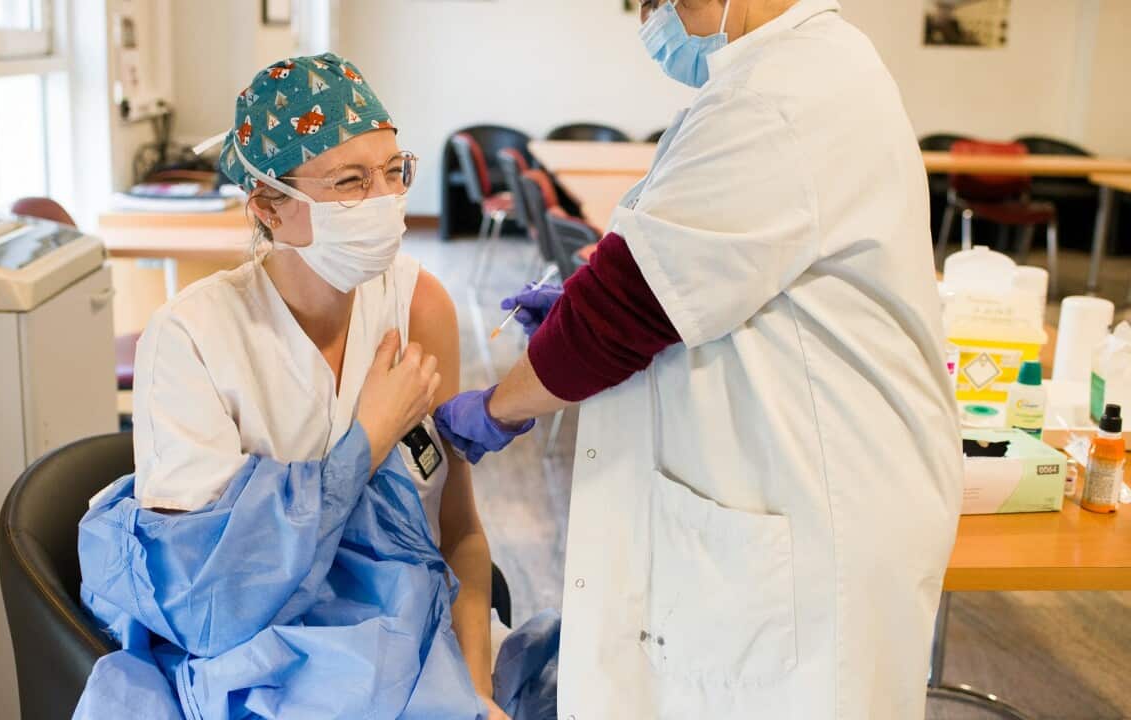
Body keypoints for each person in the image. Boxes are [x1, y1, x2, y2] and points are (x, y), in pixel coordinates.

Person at [435, 1, 963, 718]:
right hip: (784, 483)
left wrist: (496, 409)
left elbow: (621, 312)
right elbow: (688, 266)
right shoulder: (788, 73)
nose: (653, 17)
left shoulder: (778, 96)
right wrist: (588, 293)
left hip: (809, 516)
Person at [79, 54, 522, 719]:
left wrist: (477, 696)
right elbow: (212, 602)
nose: (385, 201)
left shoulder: (418, 306)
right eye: (349, 181)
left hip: (418, 652)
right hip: (258, 674)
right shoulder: (192, 337)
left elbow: (459, 534)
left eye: (394, 172)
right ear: (268, 206)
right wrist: (367, 441)